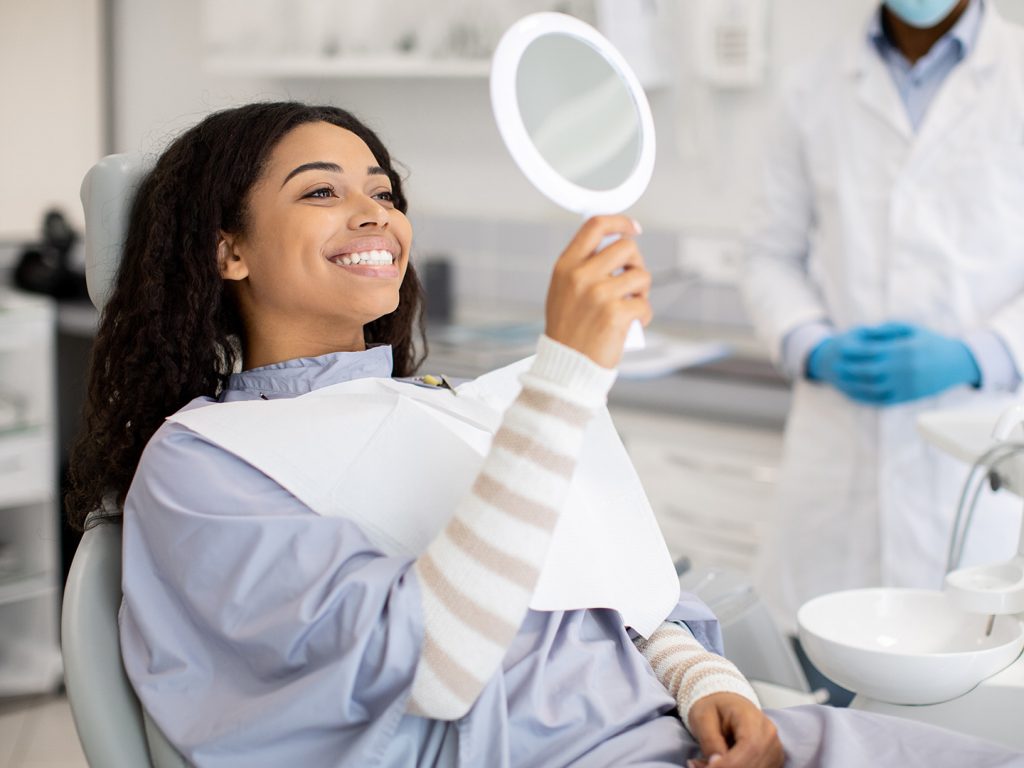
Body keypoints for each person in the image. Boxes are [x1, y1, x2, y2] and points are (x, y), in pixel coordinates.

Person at [66, 102, 1022, 767]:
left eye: (385, 190)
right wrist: (563, 378)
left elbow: (625, 591)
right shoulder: (201, 465)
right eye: (322, 192)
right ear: (227, 250)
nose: (375, 213)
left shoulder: (441, 403)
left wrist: (707, 682)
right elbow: (431, 664)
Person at [741, 0, 1024, 648]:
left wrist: (980, 355)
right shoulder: (811, 86)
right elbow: (766, 253)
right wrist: (812, 345)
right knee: (825, 717)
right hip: (836, 475)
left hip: (986, 462)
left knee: (976, 712)